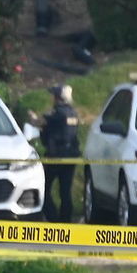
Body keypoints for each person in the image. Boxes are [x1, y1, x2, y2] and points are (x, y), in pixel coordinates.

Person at [40, 84, 80, 222]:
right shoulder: (73, 114)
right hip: (71, 157)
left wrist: (37, 121)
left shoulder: (55, 115)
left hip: (55, 157)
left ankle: (53, 219)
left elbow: (45, 134)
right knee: (65, 191)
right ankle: (65, 222)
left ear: (57, 98)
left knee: (43, 188)